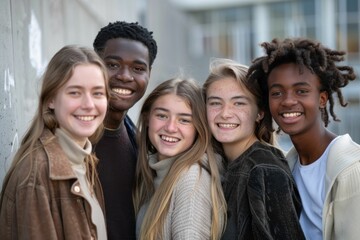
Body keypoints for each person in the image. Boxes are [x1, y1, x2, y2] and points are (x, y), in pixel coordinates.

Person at [247, 37, 360, 240]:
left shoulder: (353, 170)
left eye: (301, 91)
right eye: (277, 92)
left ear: (322, 99)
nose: (288, 101)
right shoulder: (284, 168)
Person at [0, 45, 109, 239]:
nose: (89, 105)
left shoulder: (84, 161)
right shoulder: (36, 175)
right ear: (51, 99)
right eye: (75, 92)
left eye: (98, 93)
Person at [203, 58, 305, 239]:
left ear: (260, 112)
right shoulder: (218, 165)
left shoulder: (264, 168)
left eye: (239, 103)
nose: (225, 113)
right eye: (215, 103)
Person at [133, 77, 227, 240]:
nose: (170, 127)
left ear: (199, 128)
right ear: (148, 117)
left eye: (184, 120)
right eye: (162, 116)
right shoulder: (154, 172)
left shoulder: (191, 180)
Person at [92, 21, 158, 239]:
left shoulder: (141, 142)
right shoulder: (72, 140)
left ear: (149, 74)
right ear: (94, 64)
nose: (125, 76)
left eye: (138, 69)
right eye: (113, 65)